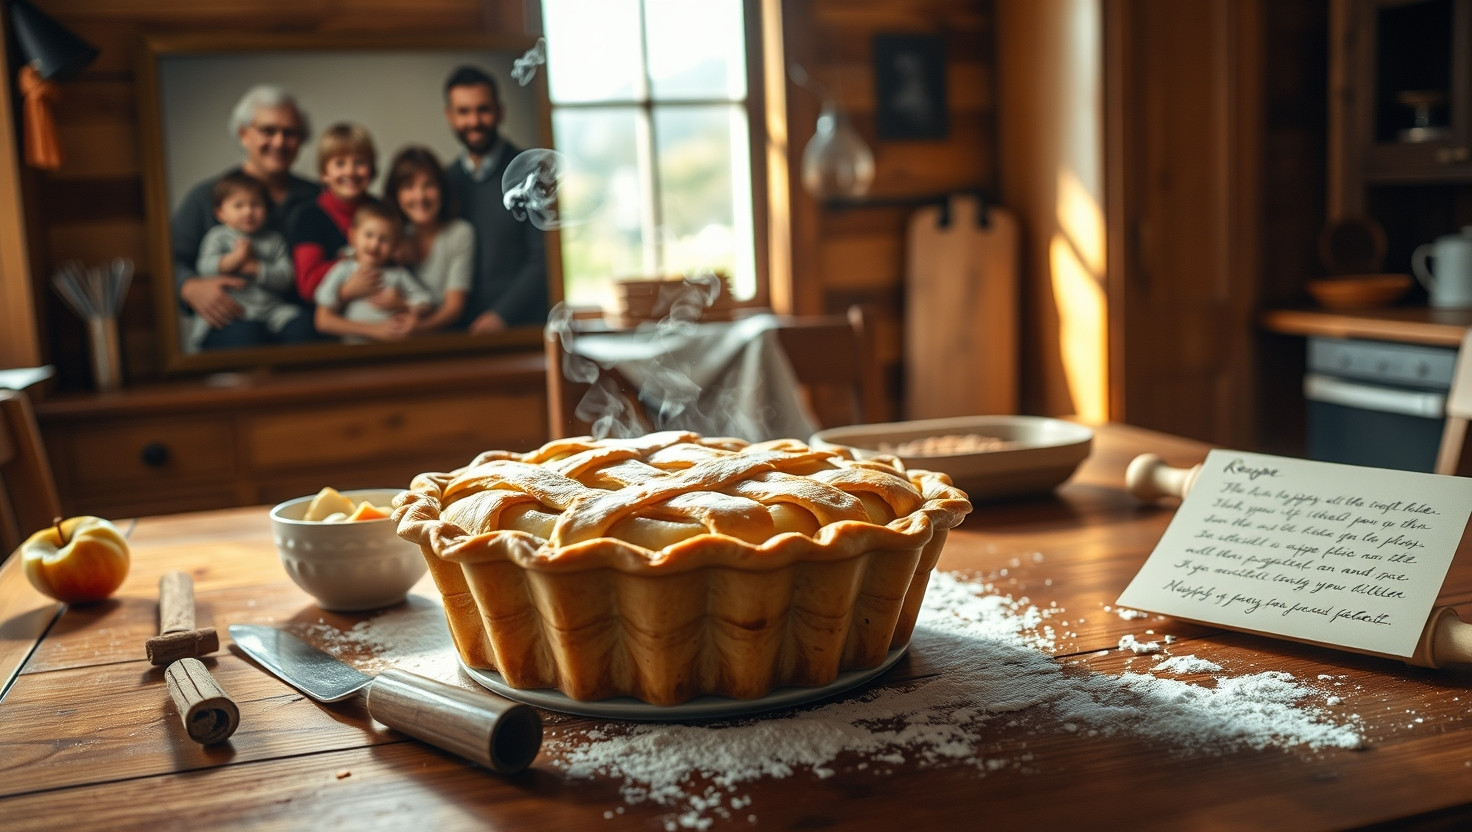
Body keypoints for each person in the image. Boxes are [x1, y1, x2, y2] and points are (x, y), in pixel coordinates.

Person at [170, 84, 318, 350]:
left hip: (294, 319)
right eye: (268, 131)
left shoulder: (317, 197)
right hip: (234, 319)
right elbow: (168, 258)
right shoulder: (205, 197)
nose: (279, 142)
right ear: (243, 135)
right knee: (245, 340)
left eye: (290, 133)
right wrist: (188, 286)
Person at [441, 65, 548, 334]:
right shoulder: (443, 183)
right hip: (457, 333)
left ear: (500, 111)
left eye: (483, 109)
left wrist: (502, 315)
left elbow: (544, 258)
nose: (474, 121)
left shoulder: (533, 173)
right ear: (450, 117)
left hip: (522, 330)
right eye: (464, 112)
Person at [186, 172, 312, 351]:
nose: (248, 212)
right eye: (238, 205)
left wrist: (255, 267)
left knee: (303, 326)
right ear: (221, 213)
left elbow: (286, 277)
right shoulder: (218, 237)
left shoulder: (273, 240)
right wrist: (232, 261)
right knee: (246, 336)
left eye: (255, 205)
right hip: (233, 311)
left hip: (271, 310)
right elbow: (204, 268)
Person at [382, 145, 473, 332]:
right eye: (408, 187)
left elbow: (454, 307)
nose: (420, 196)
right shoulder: (389, 235)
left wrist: (418, 328)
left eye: (428, 185)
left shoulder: (459, 233)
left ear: (441, 189)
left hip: (440, 343)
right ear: (396, 194)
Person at [313, 202, 432, 344]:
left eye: (384, 239)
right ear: (353, 236)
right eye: (368, 235)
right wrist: (374, 329)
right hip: (353, 350)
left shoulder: (398, 274)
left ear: (395, 246)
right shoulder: (343, 270)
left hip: (393, 349)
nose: (375, 245)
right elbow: (323, 316)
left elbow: (426, 300)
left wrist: (402, 304)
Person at [287, 122, 379, 303]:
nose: (350, 171)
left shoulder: (382, 210)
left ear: (372, 169)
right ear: (324, 173)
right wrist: (356, 265)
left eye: (360, 162)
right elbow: (307, 285)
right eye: (340, 163)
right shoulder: (309, 216)